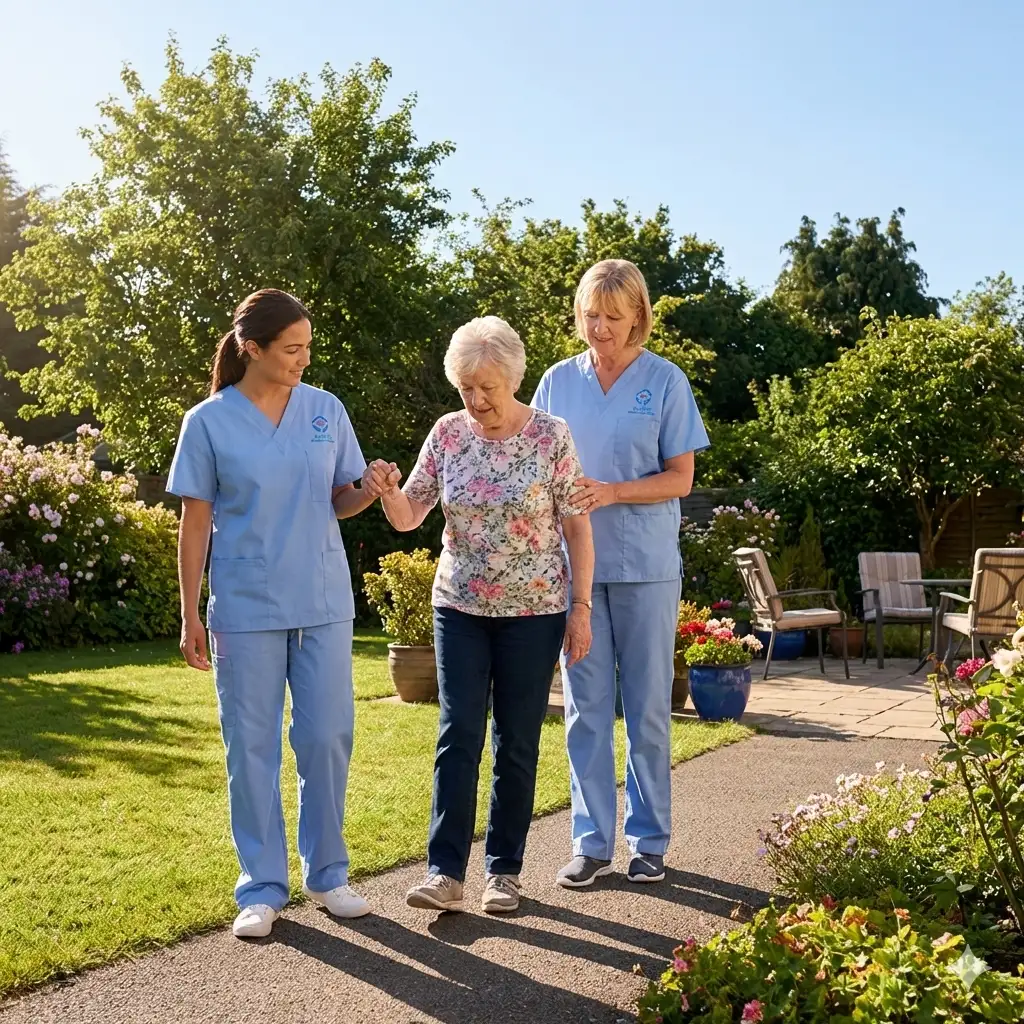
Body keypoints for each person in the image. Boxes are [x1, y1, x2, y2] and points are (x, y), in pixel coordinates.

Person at [363, 315, 595, 914]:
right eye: (466, 387)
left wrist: (580, 608)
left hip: (536, 609)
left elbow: (576, 525)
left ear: (514, 377)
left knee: (516, 741)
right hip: (459, 605)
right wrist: (387, 490)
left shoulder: (551, 435)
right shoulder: (447, 434)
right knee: (457, 734)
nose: (477, 399)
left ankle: (503, 873)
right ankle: (445, 872)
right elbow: (410, 514)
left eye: (488, 386)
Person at [168, 288, 380, 939]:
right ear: (252, 348)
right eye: (292, 349)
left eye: (308, 347)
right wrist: (189, 613)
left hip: (320, 602)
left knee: (326, 739)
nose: (303, 360)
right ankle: (261, 886)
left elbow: (339, 498)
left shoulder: (325, 411)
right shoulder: (207, 422)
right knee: (251, 750)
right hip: (244, 606)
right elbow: (194, 522)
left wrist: (367, 489)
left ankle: (327, 875)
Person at [531, 259, 709, 888]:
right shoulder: (556, 382)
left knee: (646, 709)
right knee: (583, 707)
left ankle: (650, 840)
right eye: (590, 316)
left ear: (637, 315)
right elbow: (535, 465)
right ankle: (590, 841)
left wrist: (611, 493)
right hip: (573, 572)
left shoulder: (665, 382)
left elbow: (681, 478)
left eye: (612, 316)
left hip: (646, 567)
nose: (600, 328)